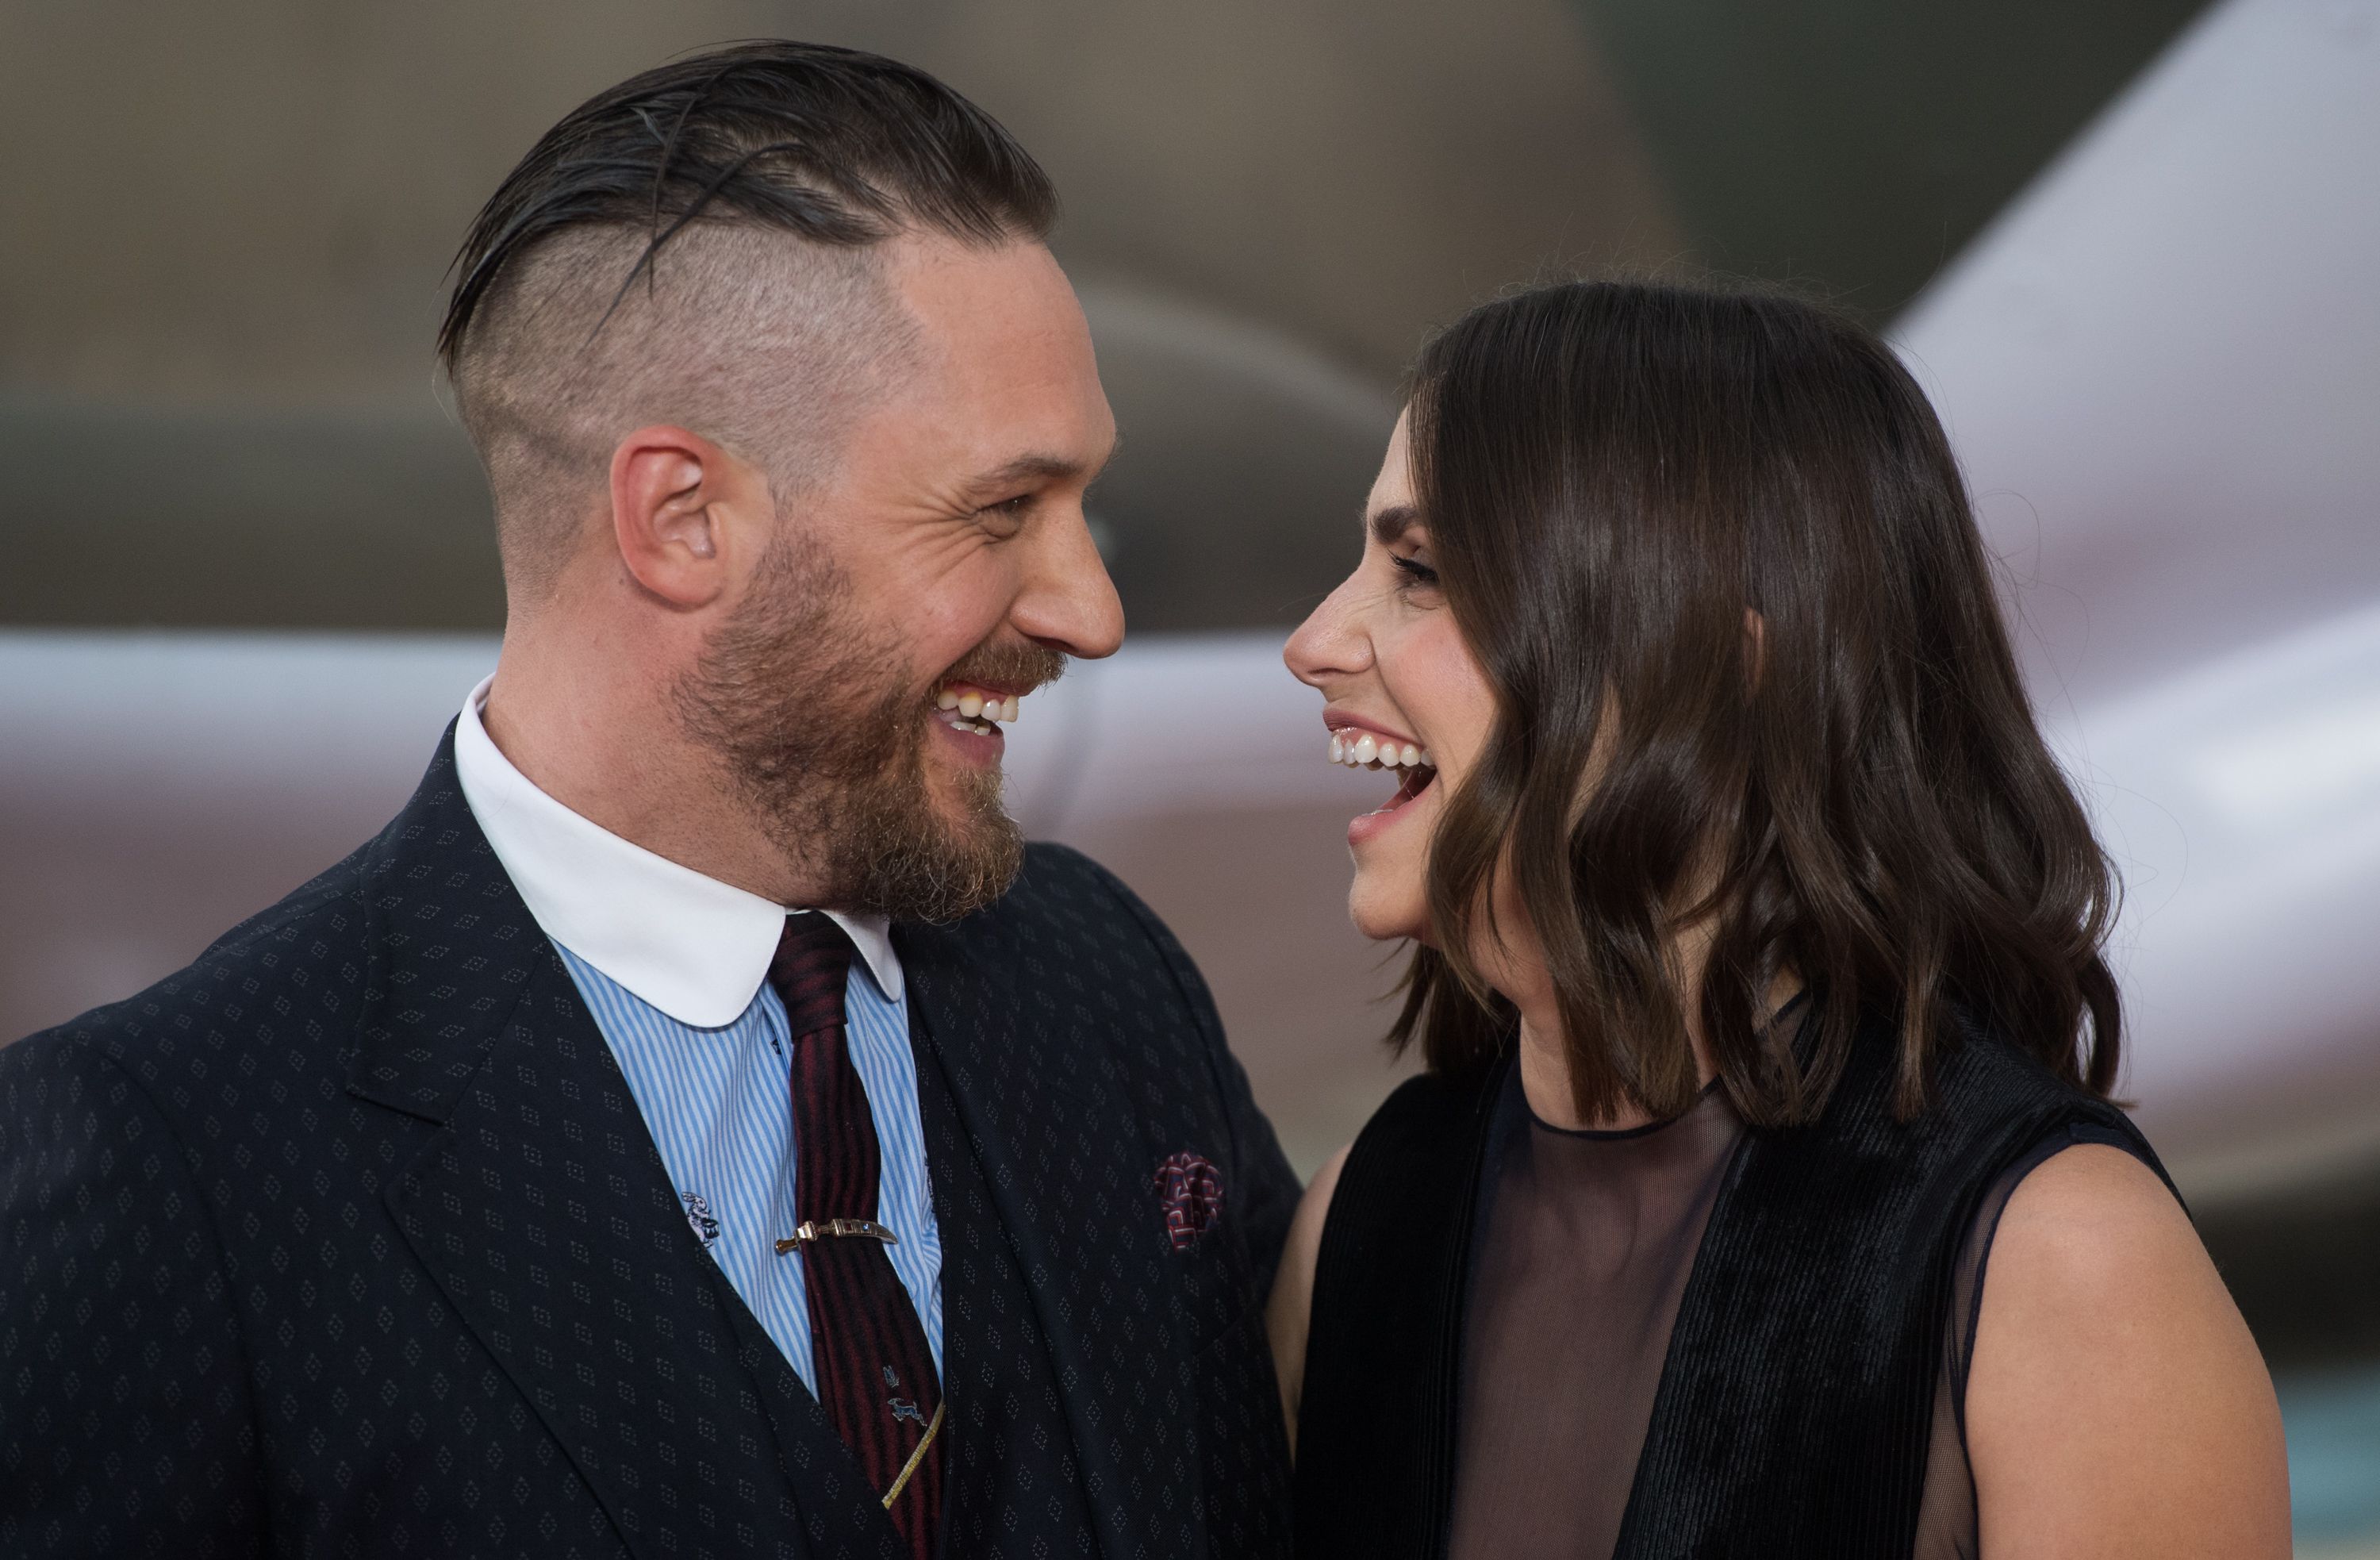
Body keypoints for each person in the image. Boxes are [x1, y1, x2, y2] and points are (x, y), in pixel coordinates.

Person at [0, 43, 1299, 1560]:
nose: (1092, 608)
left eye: (1089, 508)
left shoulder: (1104, 980)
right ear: (683, 519)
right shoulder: (163, 1162)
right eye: (1002, 512)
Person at [1270, 279, 2290, 1559]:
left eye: (1419, 571)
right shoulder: (1364, 1220)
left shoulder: (2058, 1263)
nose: (1316, 639)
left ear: (1702, 667)